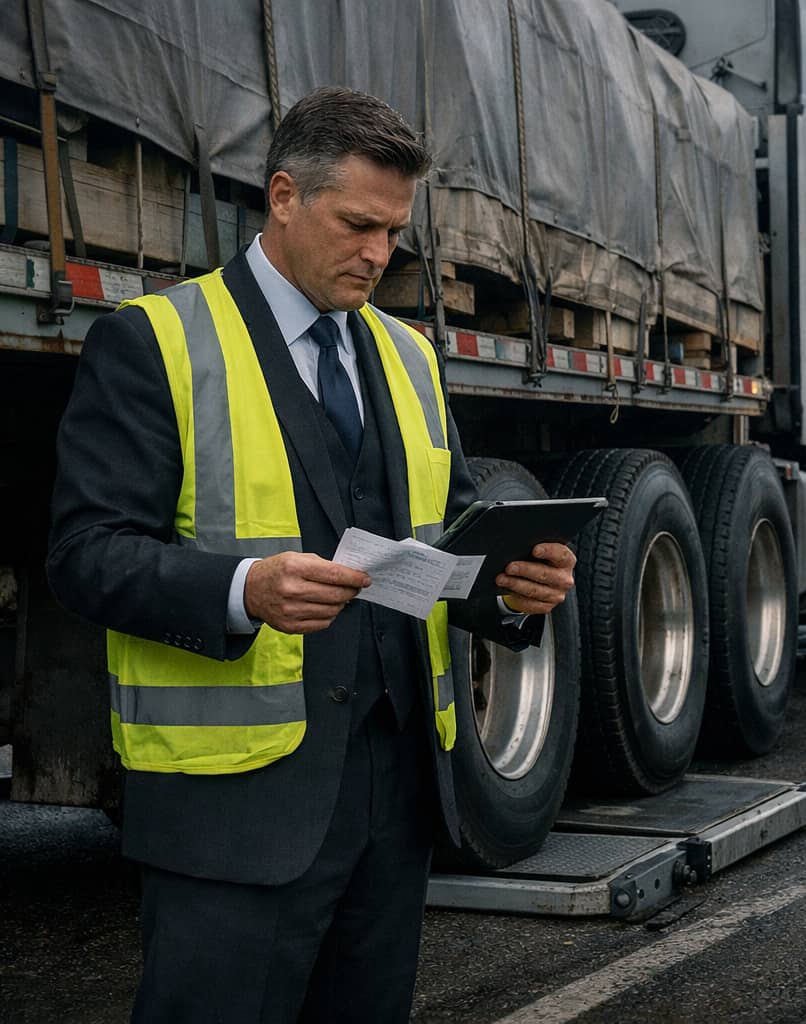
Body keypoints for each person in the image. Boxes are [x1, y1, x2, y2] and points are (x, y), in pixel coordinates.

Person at [46, 86, 576, 1023]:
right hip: (231, 806)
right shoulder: (155, 342)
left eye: (394, 233)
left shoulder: (410, 356)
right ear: (284, 196)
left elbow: (446, 540)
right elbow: (84, 555)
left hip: (397, 796)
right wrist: (244, 588)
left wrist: (512, 593)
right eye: (358, 225)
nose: (378, 255)